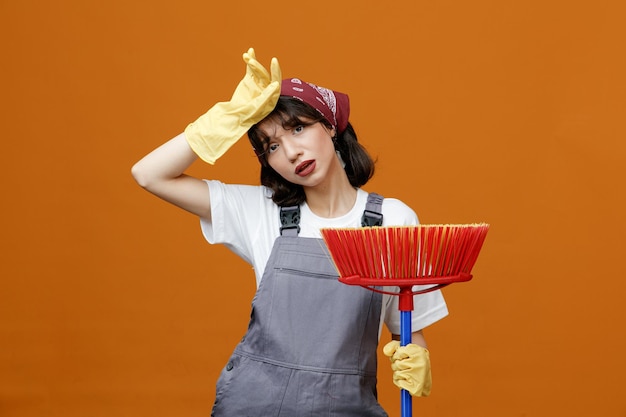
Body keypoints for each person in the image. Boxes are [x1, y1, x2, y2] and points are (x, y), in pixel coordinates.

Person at [131, 48, 448, 416]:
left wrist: (418, 356)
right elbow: (149, 174)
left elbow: (406, 325)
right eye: (273, 146)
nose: (293, 153)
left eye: (299, 128)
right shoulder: (262, 211)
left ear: (329, 125)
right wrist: (226, 120)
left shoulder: (394, 219)